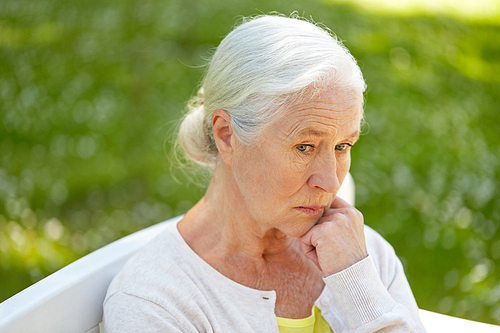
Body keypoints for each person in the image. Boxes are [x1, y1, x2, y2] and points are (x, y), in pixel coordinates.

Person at [103, 14, 426, 333]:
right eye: (305, 147)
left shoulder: (360, 258)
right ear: (227, 135)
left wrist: (359, 286)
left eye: (342, 146)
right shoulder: (156, 304)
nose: (330, 182)